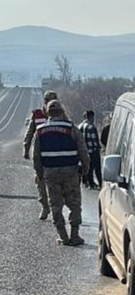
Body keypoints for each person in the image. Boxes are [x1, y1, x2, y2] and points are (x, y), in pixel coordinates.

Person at [33, 100, 90, 246]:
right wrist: (85, 166)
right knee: (75, 204)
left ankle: (63, 236)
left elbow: (36, 156)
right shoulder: (71, 128)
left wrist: (39, 173)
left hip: (50, 174)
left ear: (47, 112)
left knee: (56, 205)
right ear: (62, 111)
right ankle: (75, 235)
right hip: (71, 172)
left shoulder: (40, 130)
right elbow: (82, 149)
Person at [23, 90, 58, 220]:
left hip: (56, 154)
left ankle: (56, 208)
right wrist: (26, 148)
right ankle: (45, 207)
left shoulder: (61, 115)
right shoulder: (37, 115)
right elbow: (30, 133)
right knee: (40, 180)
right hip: (40, 154)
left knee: (57, 183)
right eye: (49, 101)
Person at [78, 110, 102, 189]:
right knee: (97, 168)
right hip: (93, 150)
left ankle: (88, 182)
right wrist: (97, 147)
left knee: (88, 167)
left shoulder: (81, 126)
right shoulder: (91, 127)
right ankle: (100, 183)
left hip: (85, 150)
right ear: (91, 117)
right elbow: (94, 140)